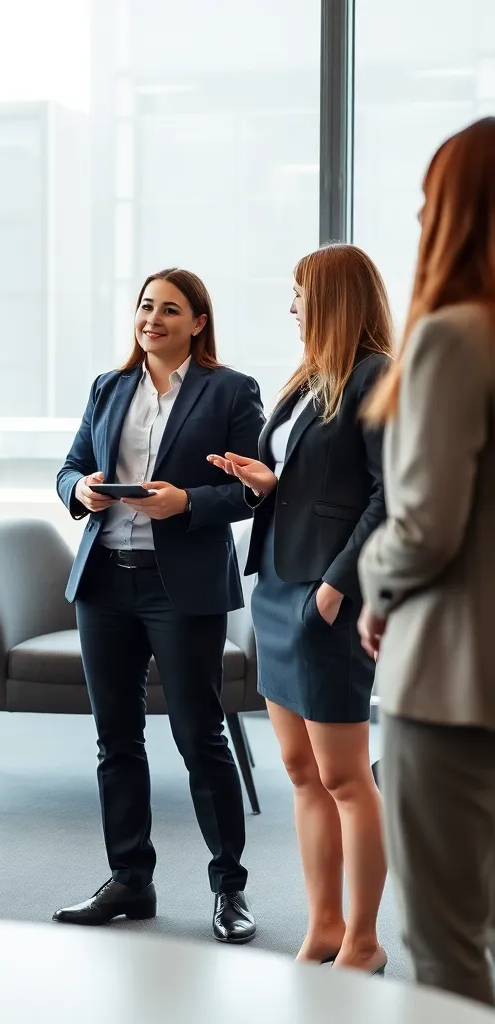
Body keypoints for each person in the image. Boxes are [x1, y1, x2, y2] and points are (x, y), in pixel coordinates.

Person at [53, 269, 264, 940]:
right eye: (146, 306)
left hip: (183, 587)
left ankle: (229, 887)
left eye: (170, 309)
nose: (153, 318)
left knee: (199, 735)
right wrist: (79, 489)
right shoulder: (109, 388)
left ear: (198, 322)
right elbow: (69, 465)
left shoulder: (230, 391)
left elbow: (255, 488)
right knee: (115, 738)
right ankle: (130, 880)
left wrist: (188, 502)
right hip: (106, 583)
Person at [208, 244, 392, 975]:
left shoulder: (377, 377)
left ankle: (366, 941)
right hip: (278, 588)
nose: (291, 306)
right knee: (300, 769)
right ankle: (324, 926)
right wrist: (267, 483)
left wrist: (338, 584)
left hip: (327, 595)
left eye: (300, 293)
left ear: (335, 298)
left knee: (347, 777)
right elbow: (313, 483)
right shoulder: (309, 379)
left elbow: (389, 494)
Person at [357, 117, 495, 1005]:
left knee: (445, 952)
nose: (417, 223)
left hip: (453, 680)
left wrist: (374, 583)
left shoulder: (453, 338)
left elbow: (425, 529)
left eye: (424, 204)